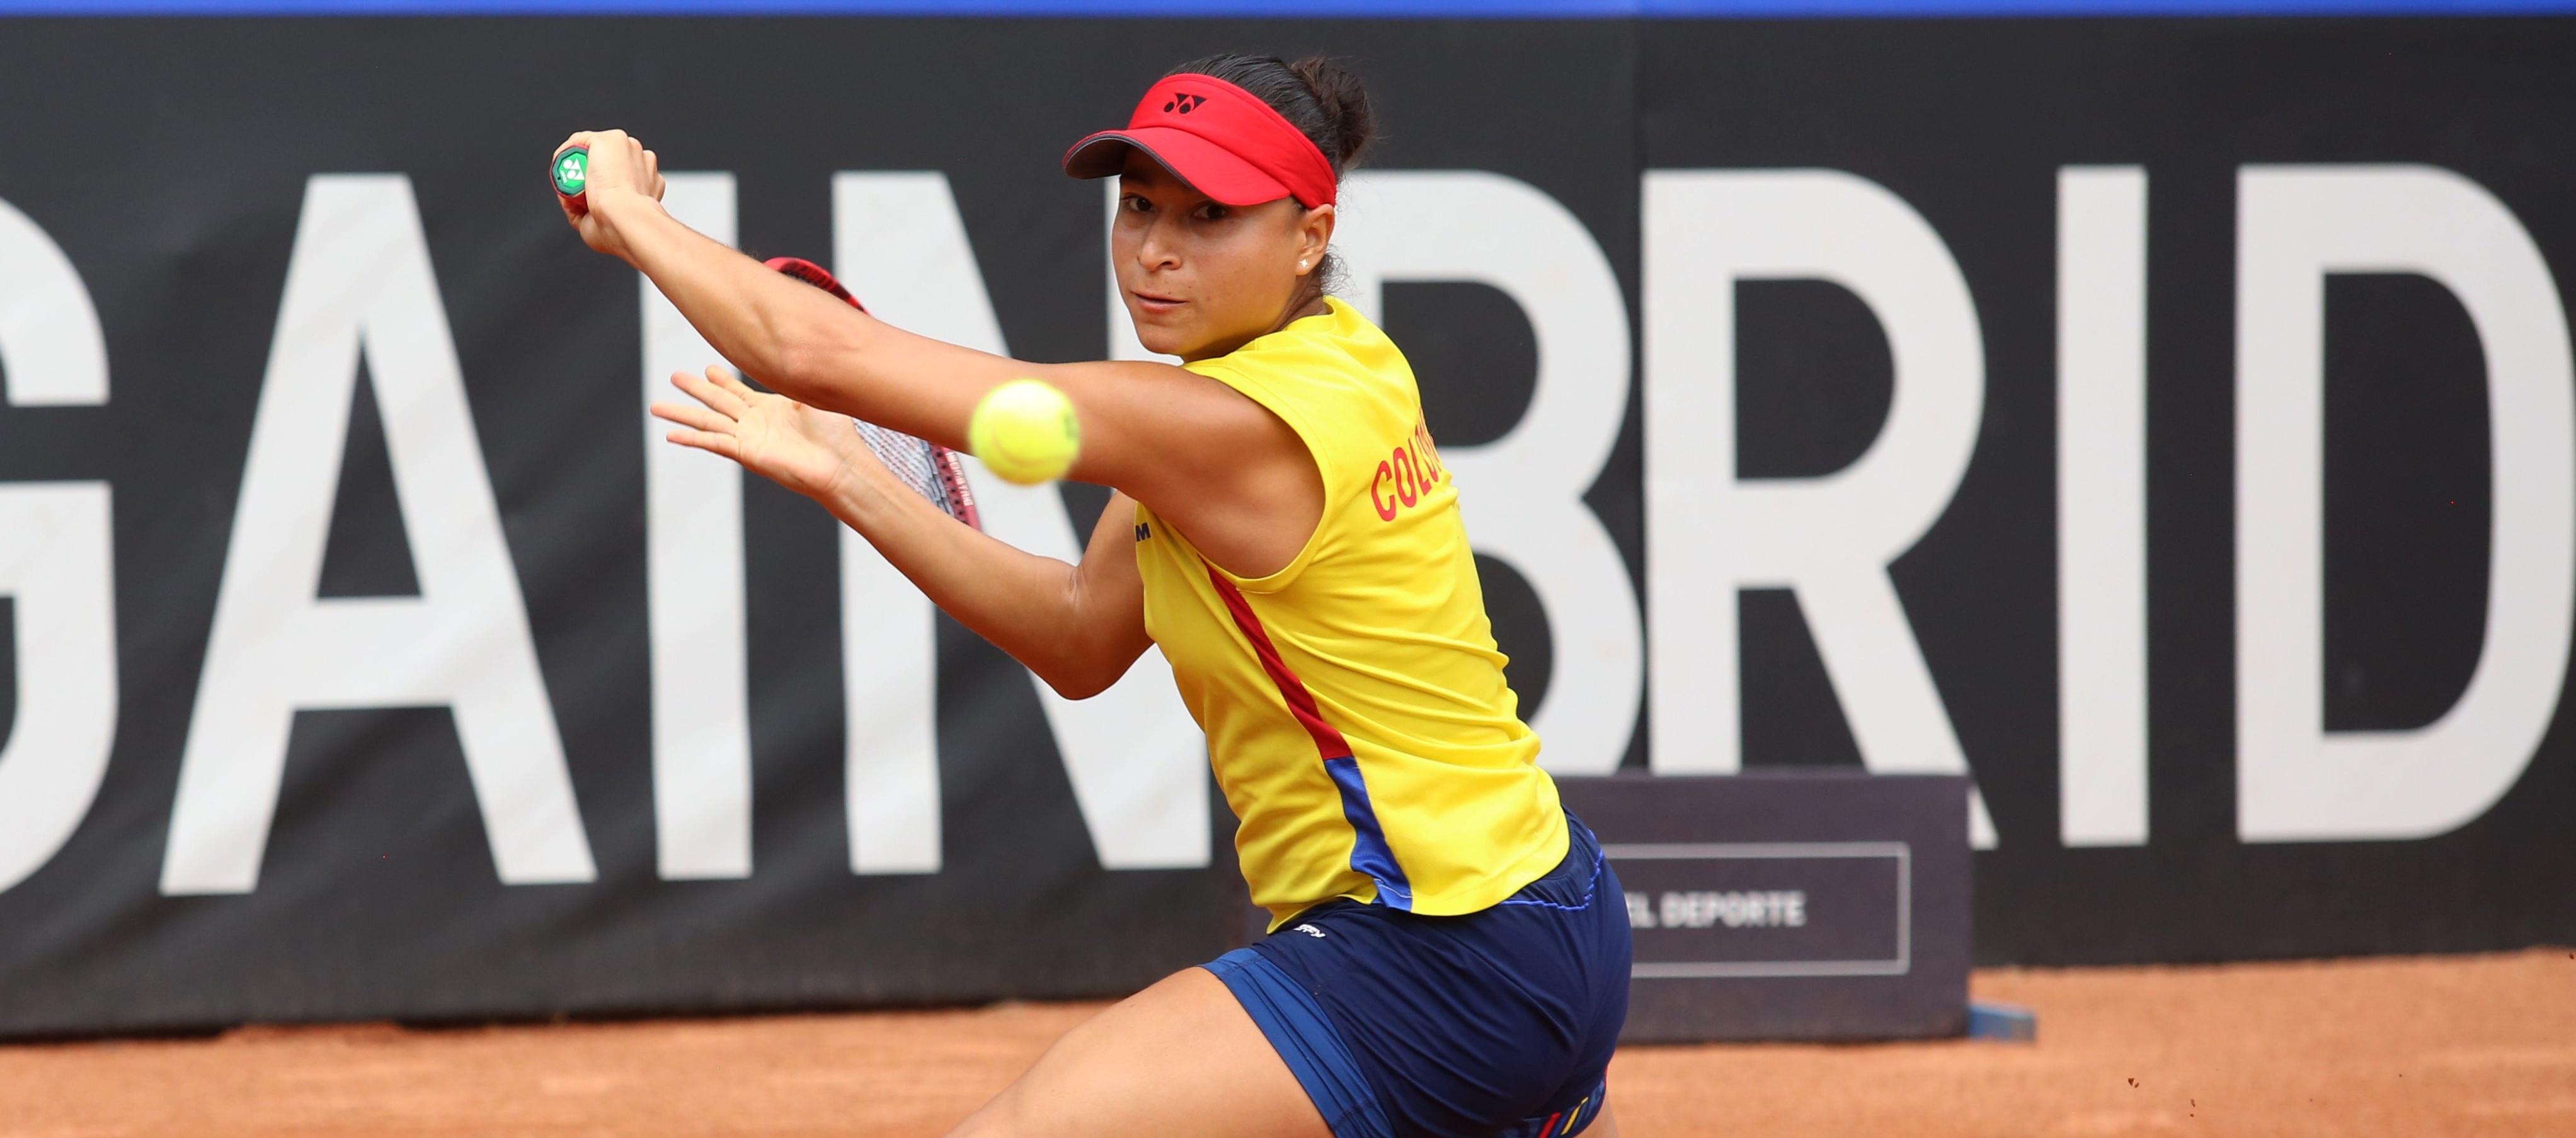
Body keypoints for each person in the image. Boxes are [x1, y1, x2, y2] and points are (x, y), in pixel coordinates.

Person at [558, 52, 1629, 1138]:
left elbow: (802, 346)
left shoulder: (1227, 428)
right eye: (1139, 206)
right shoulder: (1330, 366)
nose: (1156, 250)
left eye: (1209, 216)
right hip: (1546, 908)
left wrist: (632, 214)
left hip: (1440, 948)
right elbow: (1080, 635)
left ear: (1310, 235)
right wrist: (850, 476)